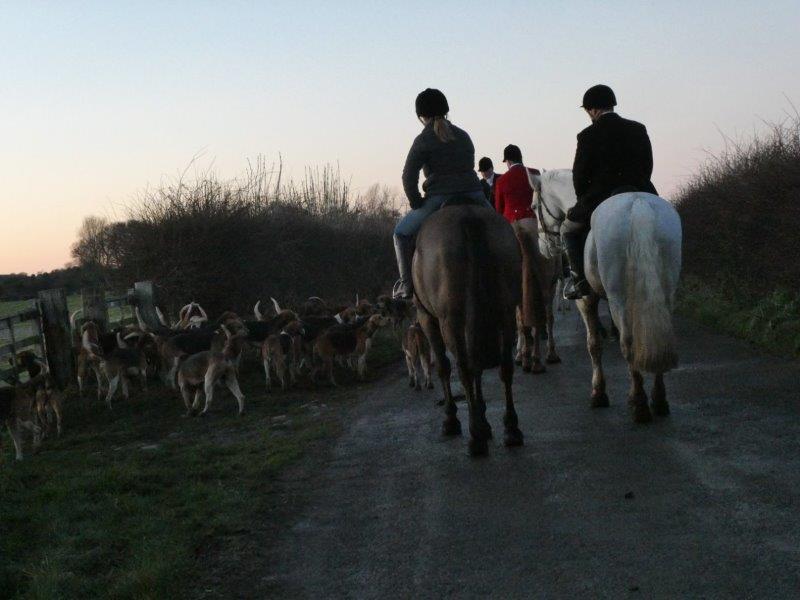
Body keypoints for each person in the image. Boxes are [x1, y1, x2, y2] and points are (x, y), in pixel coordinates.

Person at [562, 84, 658, 299]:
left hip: (600, 197)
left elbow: (579, 175)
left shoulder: (587, 135)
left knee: (567, 230)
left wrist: (583, 201)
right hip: (641, 191)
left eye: (588, 111)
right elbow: (648, 165)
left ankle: (579, 282)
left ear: (594, 110)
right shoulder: (638, 128)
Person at [393, 88, 488, 299]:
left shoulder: (423, 139)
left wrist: (416, 202)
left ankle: (407, 286)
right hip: (475, 194)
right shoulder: (463, 135)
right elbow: (469, 165)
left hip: (439, 197)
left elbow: (408, 175)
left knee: (400, 234)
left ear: (421, 115)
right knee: (504, 227)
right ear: (446, 110)